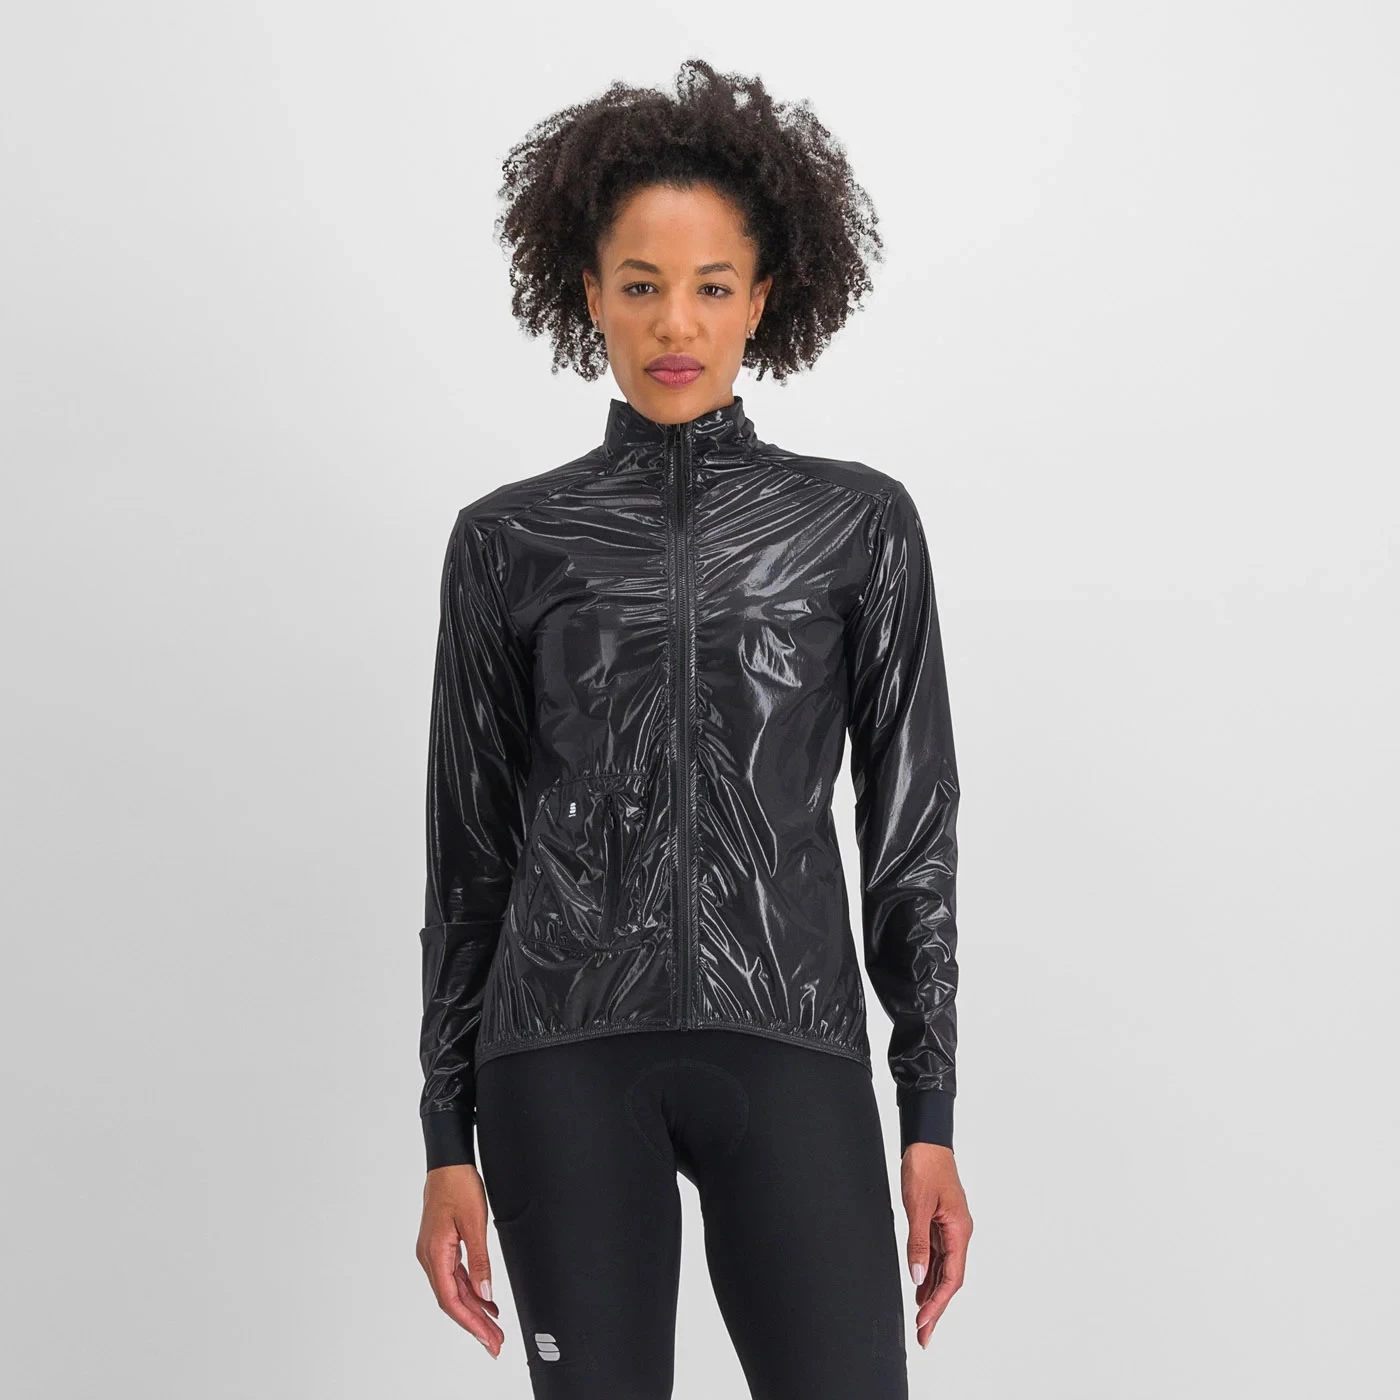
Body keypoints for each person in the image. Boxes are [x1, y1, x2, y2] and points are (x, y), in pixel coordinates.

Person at [413, 59, 973, 1399]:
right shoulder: (507, 540)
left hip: (791, 1045)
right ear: (587, 293)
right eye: (641, 284)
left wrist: (930, 1111)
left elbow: (911, 830)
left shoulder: (857, 525)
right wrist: (445, 1137)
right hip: (557, 1058)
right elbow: (467, 854)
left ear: (763, 298)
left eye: (713, 286)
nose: (676, 322)